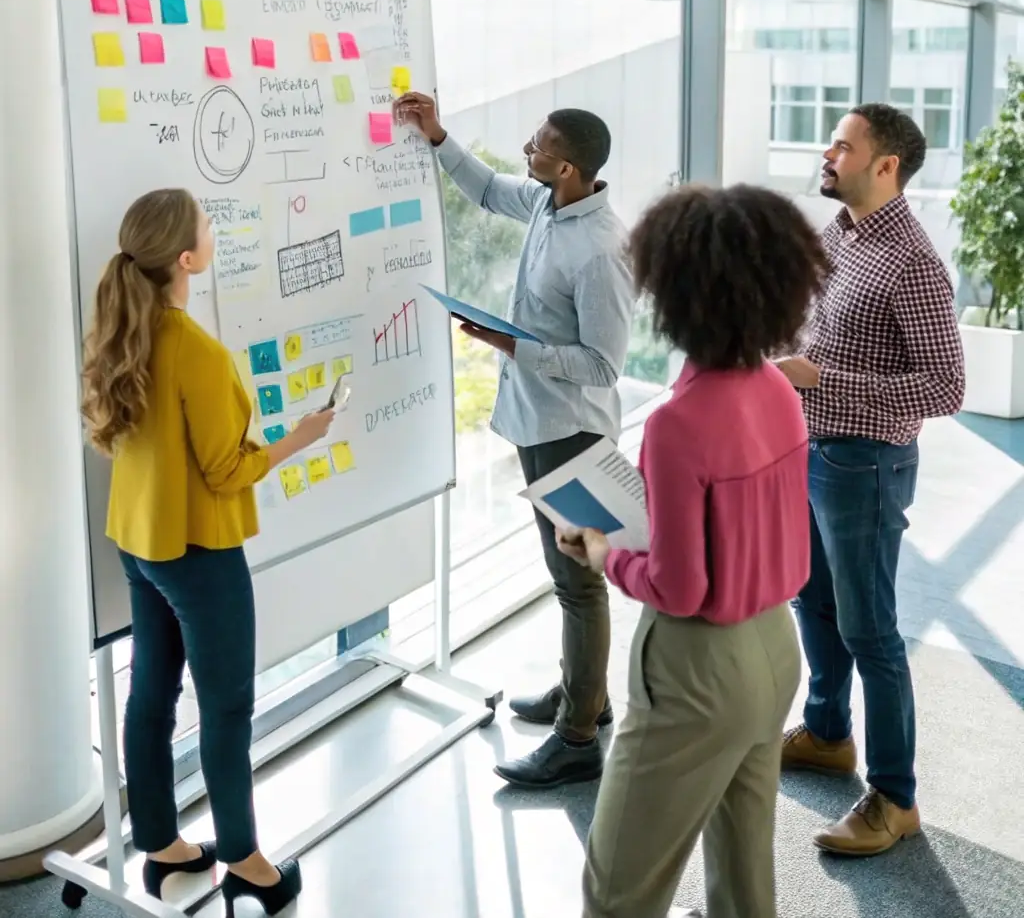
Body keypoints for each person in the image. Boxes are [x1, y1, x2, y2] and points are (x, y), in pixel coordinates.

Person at [561, 183, 828, 918]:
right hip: (775, 652)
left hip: (696, 672)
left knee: (618, 891)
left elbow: (679, 588)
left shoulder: (678, 423)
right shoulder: (778, 388)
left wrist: (599, 549)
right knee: (744, 889)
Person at [81, 189, 335, 914]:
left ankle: (161, 848)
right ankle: (247, 862)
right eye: (205, 223)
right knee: (227, 708)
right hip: (197, 550)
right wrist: (300, 436)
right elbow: (228, 469)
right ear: (186, 258)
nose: (213, 228)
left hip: (138, 539)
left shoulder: (123, 328)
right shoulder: (198, 351)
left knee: (151, 692)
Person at [394, 93, 634, 788]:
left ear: (564, 166)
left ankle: (579, 736)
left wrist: (514, 345)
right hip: (538, 422)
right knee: (570, 582)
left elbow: (602, 364)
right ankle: (585, 692)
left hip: (573, 431)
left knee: (578, 586)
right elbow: (488, 189)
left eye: (537, 142)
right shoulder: (547, 204)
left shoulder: (598, 250)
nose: (525, 146)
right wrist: (438, 136)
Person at [776, 104, 965, 857]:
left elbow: (946, 386)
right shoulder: (841, 233)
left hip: (866, 463)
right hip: (811, 447)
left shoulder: (913, 262)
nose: (828, 152)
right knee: (811, 598)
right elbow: (821, 325)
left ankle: (896, 796)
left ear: (884, 166)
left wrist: (824, 381)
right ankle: (827, 732)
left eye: (843, 145)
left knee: (871, 630)